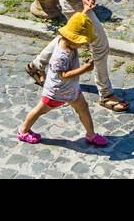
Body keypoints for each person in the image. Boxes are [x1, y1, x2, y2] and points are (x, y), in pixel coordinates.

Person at [16, 12, 108, 147]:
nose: (82, 45)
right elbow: (63, 75)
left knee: (83, 108)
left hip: (71, 89)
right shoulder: (61, 55)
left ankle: (90, 134)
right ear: (73, 39)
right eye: (81, 42)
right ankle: (23, 131)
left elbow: (76, 23)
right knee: (39, 110)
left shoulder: (66, 40)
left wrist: (86, 10)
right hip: (57, 92)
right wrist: (84, 69)